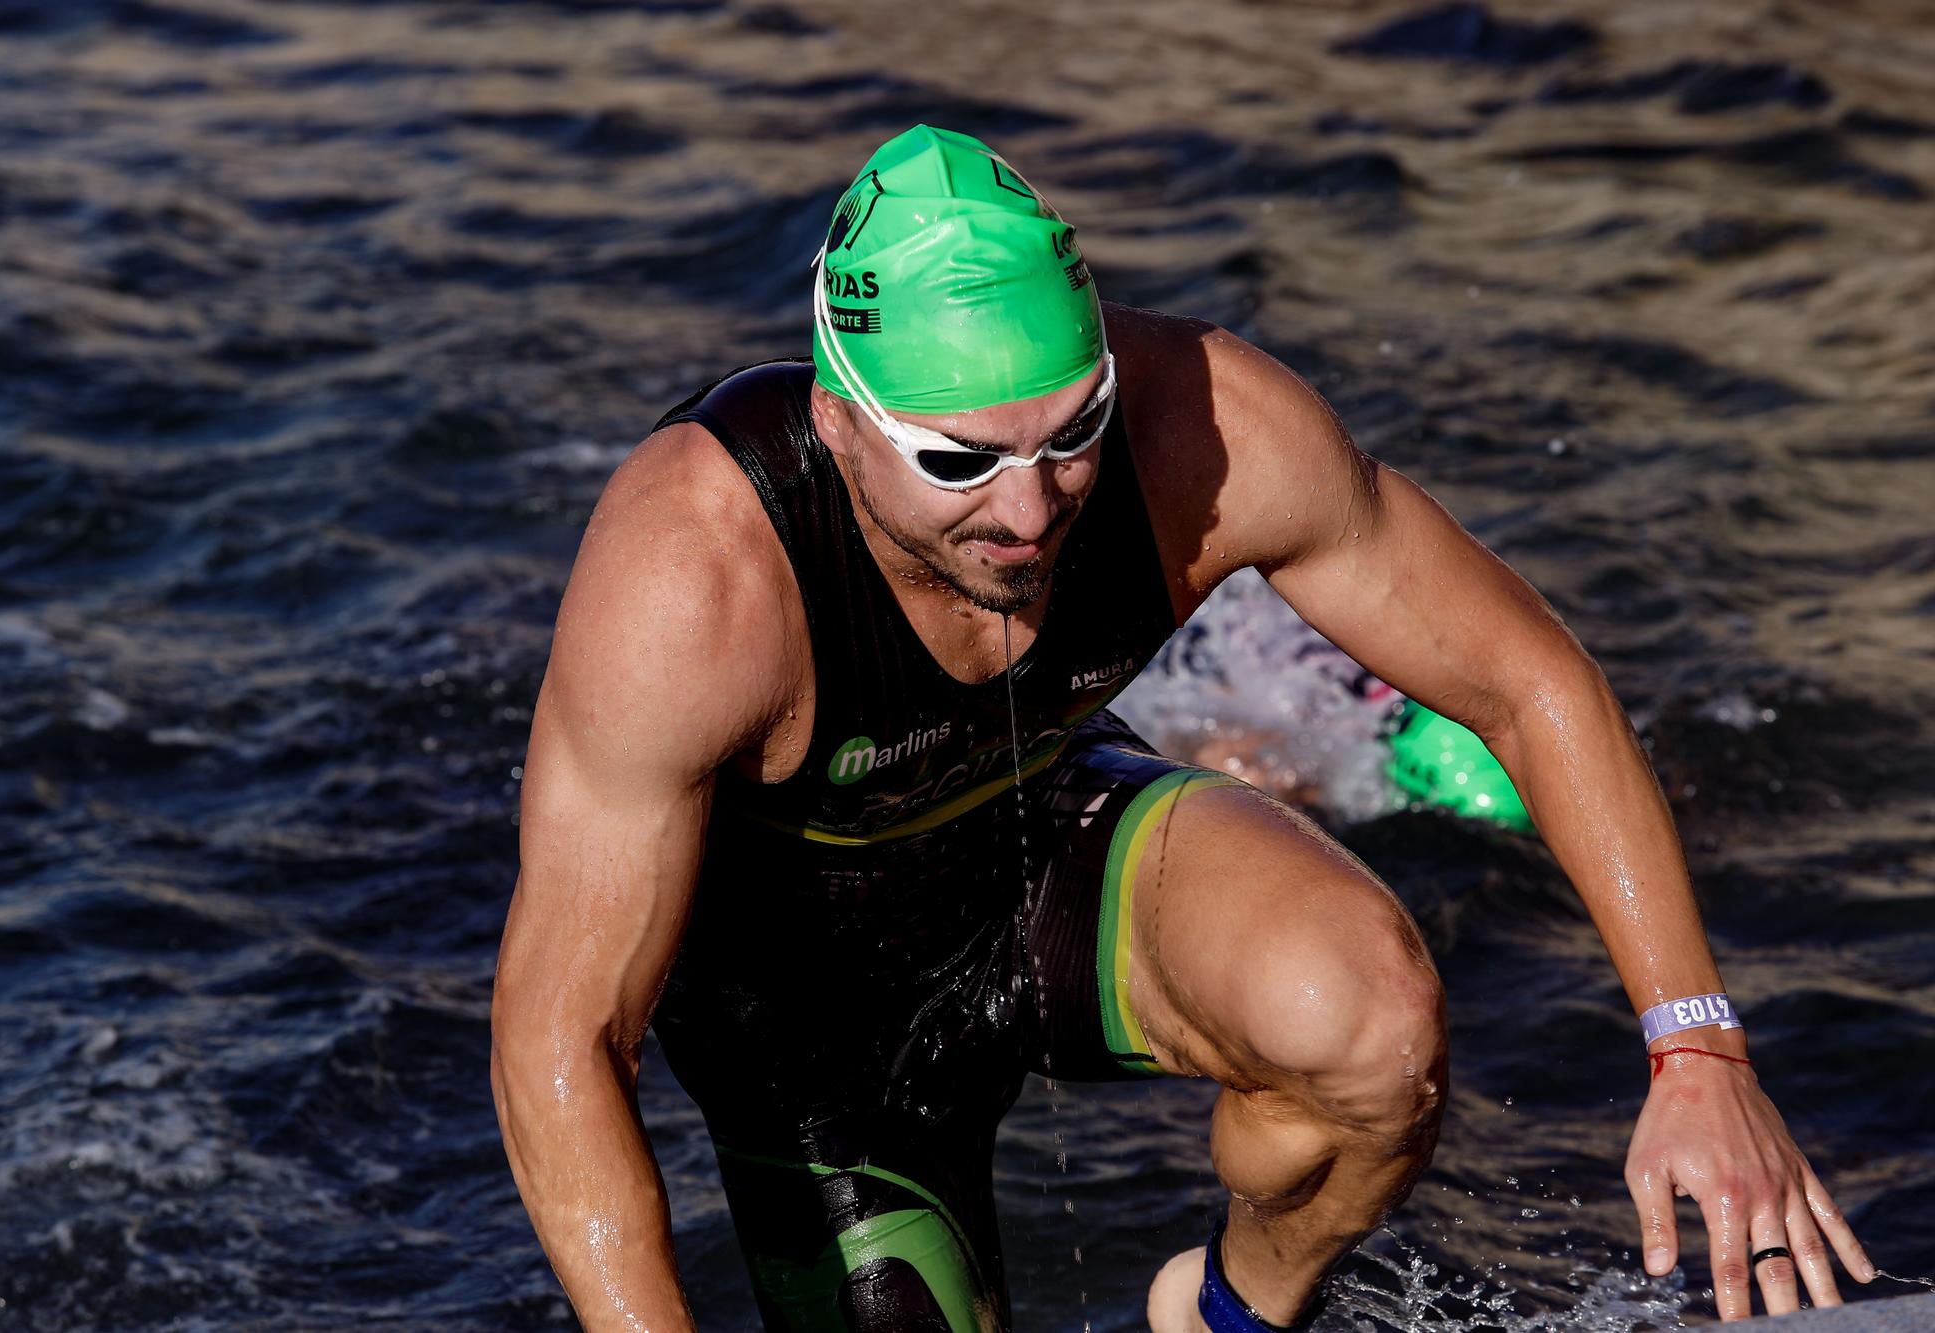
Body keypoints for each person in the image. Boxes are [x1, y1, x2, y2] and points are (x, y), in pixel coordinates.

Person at [489, 124, 1873, 1330]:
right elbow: (560, 1041)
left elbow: (1529, 679)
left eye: (1068, 430)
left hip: (1038, 847)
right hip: (808, 1033)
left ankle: (1224, 1315)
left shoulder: (1201, 427)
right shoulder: (697, 575)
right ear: (843, 422)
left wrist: (1695, 1048)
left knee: (1378, 1032)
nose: (1029, 514)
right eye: (960, 461)